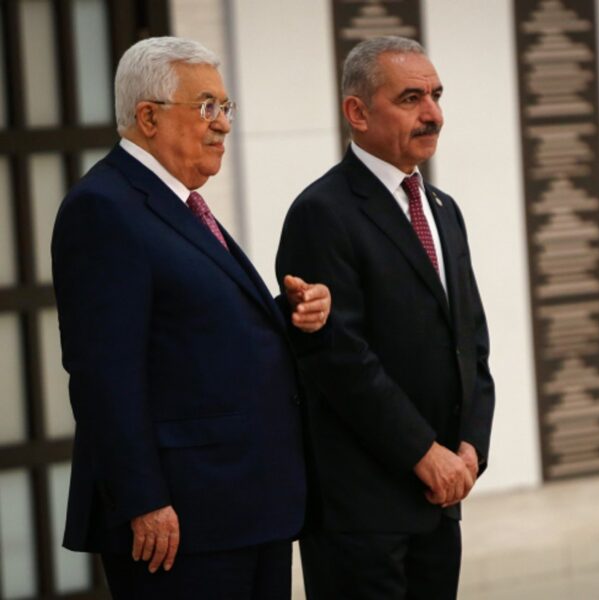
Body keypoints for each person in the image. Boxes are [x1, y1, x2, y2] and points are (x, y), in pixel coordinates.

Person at [51, 36, 330, 599]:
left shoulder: (175, 204)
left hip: (246, 507)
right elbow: (105, 374)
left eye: (226, 108)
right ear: (148, 117)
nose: (223, 124)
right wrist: (143, 500)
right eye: (207, 107)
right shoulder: (104, 207)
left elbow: (192, 335)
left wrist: (287, 314)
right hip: (179, 522)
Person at [276, 36, 495, 599]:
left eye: (437, 95)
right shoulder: (322, 213)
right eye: (411, 98)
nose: (433, 114)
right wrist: (426, 455)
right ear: (358, 112)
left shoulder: (443, 210)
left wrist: (471, 448)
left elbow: (470, 343)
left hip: (440, 501)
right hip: (363, 513)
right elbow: (339, 359)